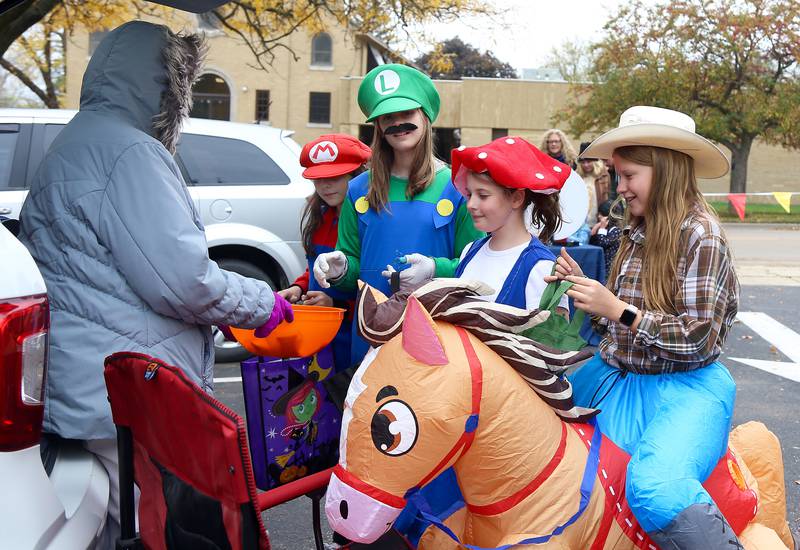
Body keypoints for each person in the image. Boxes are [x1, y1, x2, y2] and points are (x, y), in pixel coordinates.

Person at [17, 21, 292, 548]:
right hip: (129, 390)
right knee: (157, 528)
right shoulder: (131, 153)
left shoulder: (73, 142)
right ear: (165, 87)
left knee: (104, 526)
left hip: (83, 385)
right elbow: (185, 282)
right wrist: (265, 303)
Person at [546, 106, 741, 548]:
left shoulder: (701, 234)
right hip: (619, 374)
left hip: (686, 386)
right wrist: (587, 292)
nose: (620, 187)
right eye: (618, 175)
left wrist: (618, 310)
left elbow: (698, 339)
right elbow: (618, 321)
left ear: (665, 170)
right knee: (537, 429)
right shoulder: (636, 229)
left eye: (629, 175)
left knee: (658, 488)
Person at [312, 63, 483, 364]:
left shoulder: (458, 187)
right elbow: (354, 269)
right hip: (370, 340)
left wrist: (435, 269)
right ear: (377, 126)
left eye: (407, 114)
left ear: (425, 116)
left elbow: (477, 268)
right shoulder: (357, 190)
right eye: (387, 117)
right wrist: (340, 270)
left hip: (436, 337)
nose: (398, 124)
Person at [278, 134, 370, 371]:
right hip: (318, 337)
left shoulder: (370, 222)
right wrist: (298, 287)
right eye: (318, 179)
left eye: (336, 177)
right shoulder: (320, 216)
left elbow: (373, 281)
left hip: (353, 337)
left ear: (357, 176)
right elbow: (314, 266)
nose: (325, 186)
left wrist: (336, 303)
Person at [451, 136, 569, 314]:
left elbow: (553, 339)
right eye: (469, 194)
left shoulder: (541, 268)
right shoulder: (470, 251)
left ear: (516, 198)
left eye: (482, 195)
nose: (470, 204)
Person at [589, 199, 622, 277]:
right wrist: (593, 232)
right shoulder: (604, 230)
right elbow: (593, 244)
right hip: (602, 266)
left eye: (602, 214)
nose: (599, 216)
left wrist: (602, 228)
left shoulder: (616, 230)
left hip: (609, 269)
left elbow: (603, 243)